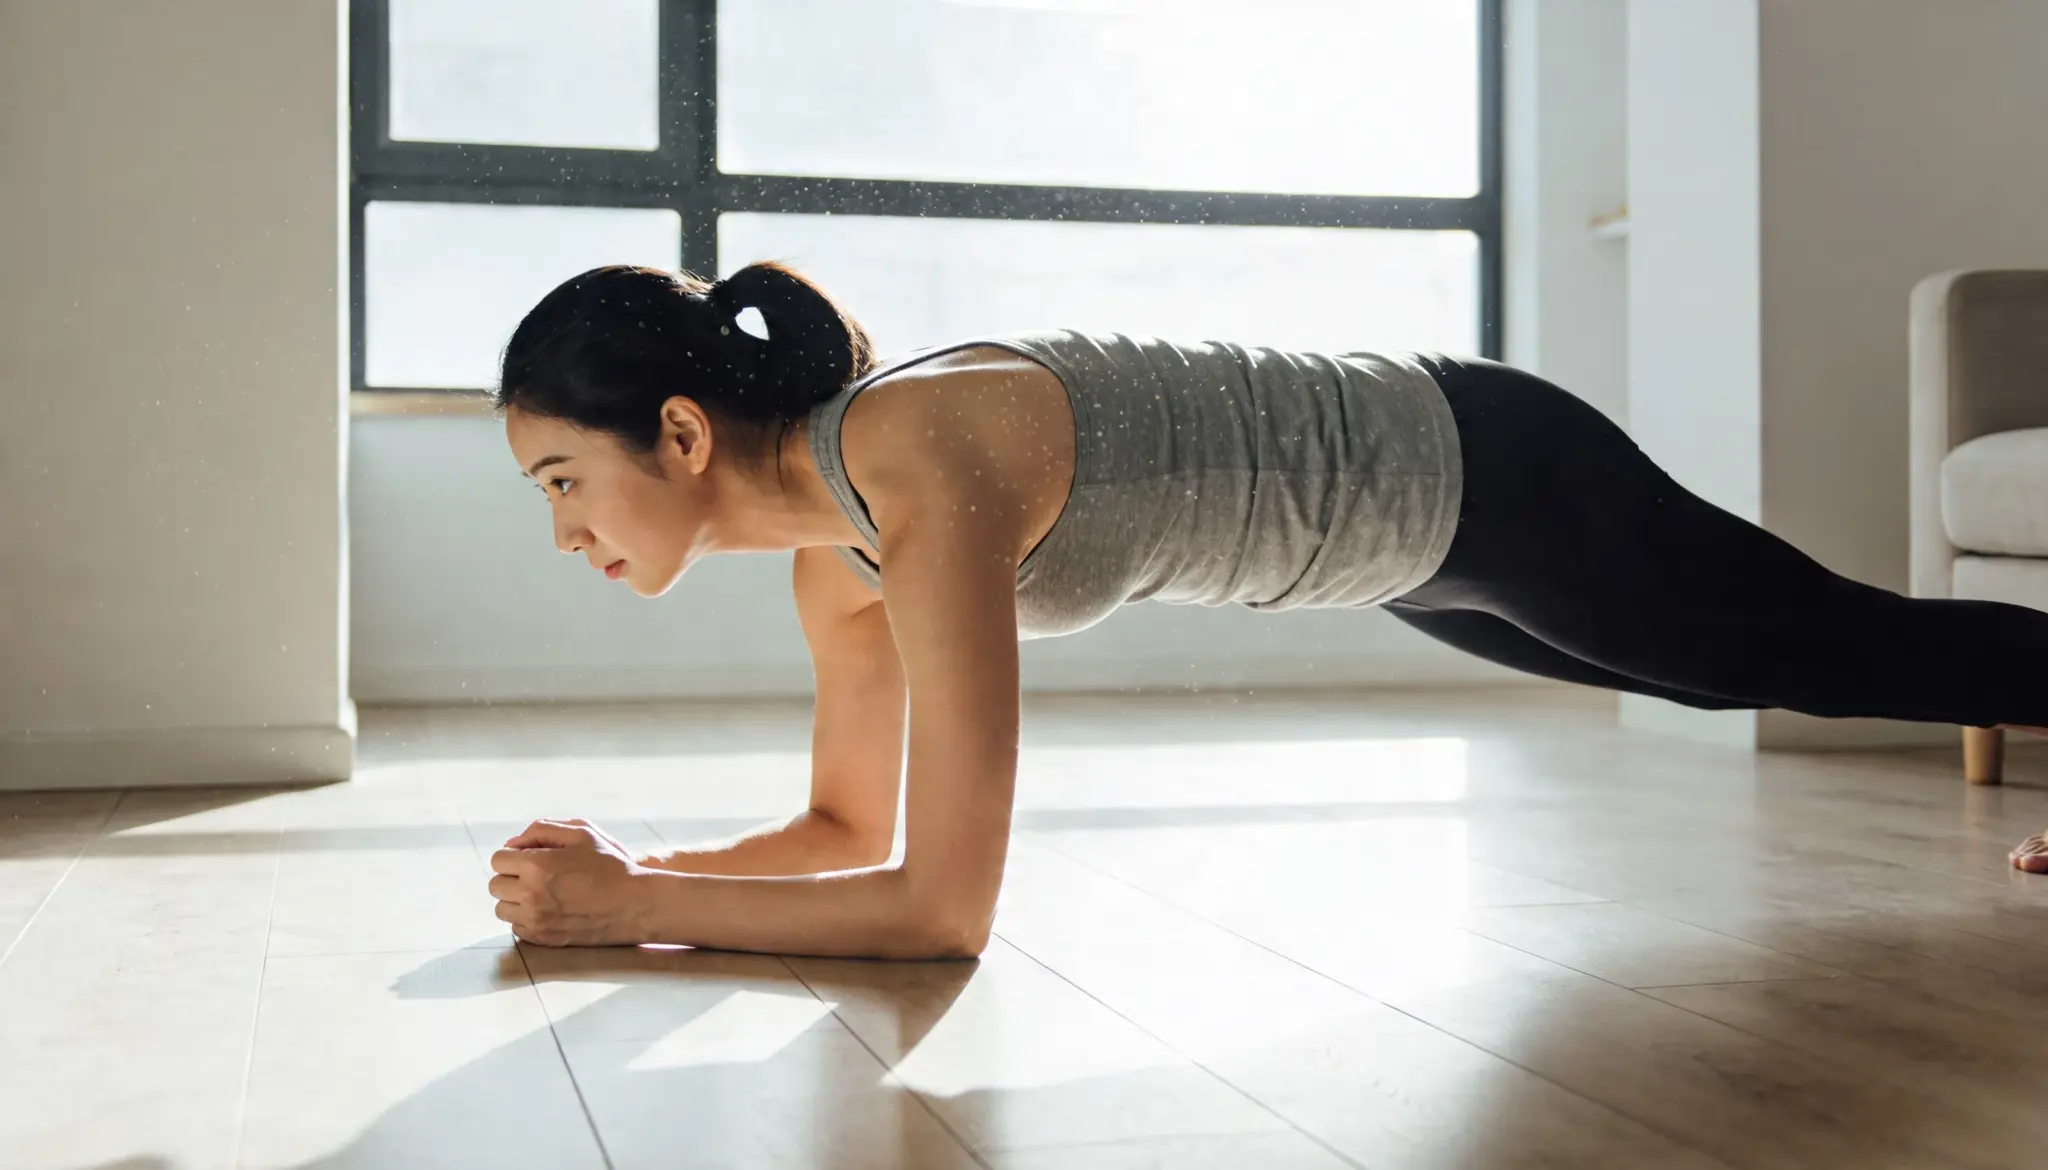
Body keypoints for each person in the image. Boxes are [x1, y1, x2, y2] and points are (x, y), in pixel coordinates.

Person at [485, 261, 2048, 958]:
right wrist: (637, 868)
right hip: (1410, 562)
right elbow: (841, 829)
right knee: (1748, 674)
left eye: (563, 478)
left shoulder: (912, 455)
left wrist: (631, 912)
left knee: (1838, 655)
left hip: (1486, 470)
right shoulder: (841, 555)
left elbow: (939, 908)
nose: (563, 529)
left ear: (681, 435)